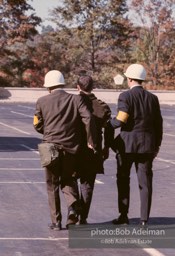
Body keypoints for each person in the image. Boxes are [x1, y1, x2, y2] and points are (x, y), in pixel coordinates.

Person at [33, 70, 97, 230]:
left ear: (48, 87)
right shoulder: (76, 99)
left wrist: (47, 132)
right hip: (70, 148)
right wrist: (90, 140)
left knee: (52, 184)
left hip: (50, 147)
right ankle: (73, 207)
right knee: (68, 179)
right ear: (62, 83)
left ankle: (56, 222)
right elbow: (88, 118)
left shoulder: (41, 101)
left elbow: (37, 124)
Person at [107, 64, 163, 226]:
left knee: (123, 179)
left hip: (127, 146)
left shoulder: (125, 96)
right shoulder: (153, 98)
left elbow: (121, 120)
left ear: (129, 79)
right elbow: (158, 125)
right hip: (147, 146)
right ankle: (144, 219)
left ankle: (123, 215)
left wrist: (108, 125)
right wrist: (156, 145)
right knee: (145, 183)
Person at [76, 74, 112, 224]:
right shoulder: (102, 106)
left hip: (73, 149)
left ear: (77, 87)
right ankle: (82, 217)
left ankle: (73, 211)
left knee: (69, 182)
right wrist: (107, 147)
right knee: (87, 184)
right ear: (93, 87)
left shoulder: (71, 103)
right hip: (93, 150)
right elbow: (110, 129)